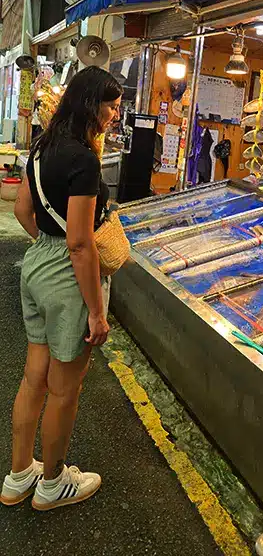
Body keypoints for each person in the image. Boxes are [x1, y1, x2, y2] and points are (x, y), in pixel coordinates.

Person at [1, 66, 122, 512]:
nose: (113, 113)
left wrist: (46, 247)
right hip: (67, 275)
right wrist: (96, 311)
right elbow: (79, 241)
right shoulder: (84, 160)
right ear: (90, 104)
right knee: (63, 389)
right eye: (110, 104)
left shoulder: (42, 147)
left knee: (35, 375)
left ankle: (19, 475)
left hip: (36, 266)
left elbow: (21, 209)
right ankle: (52, 483)